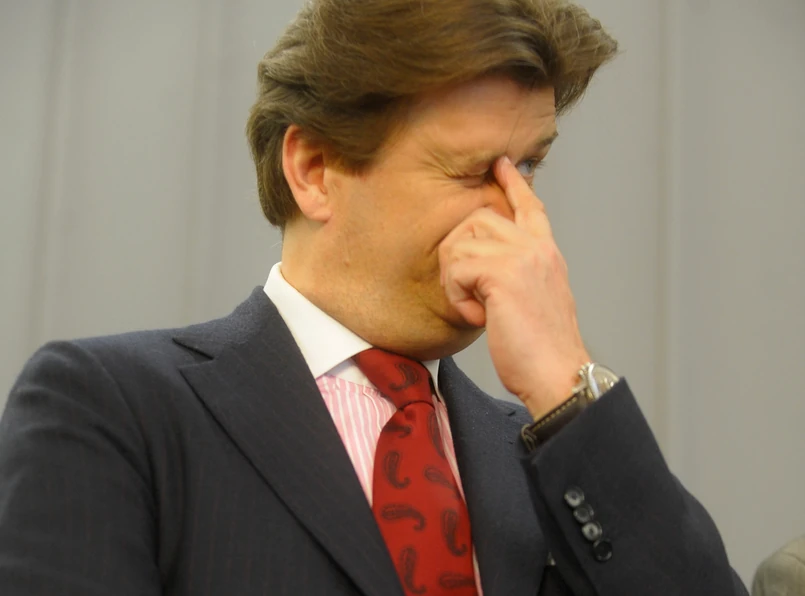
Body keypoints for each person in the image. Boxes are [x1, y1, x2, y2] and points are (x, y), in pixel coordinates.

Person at [0, 0, 748, 594]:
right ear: (314, 169)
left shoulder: (555, 455)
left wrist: (566, 386)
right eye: (471, 173)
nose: (520, 219)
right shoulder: (116, 409)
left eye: (527, 169)